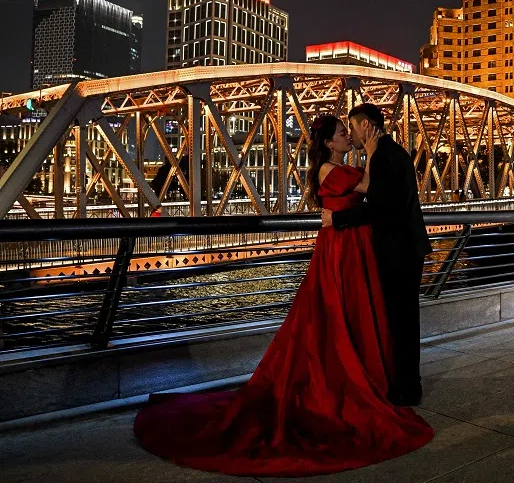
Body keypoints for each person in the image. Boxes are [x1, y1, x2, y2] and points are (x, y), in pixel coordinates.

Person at [132, 114, 433, 477]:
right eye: (342, 132)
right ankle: (356, 379)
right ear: (328, 142)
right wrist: (369, 152)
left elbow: (371, 192)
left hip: (353, 248)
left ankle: (373, 376)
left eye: (350, 129)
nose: (347, 136)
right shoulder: (330, 169)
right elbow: (371, 189)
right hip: (341, 252)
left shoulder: (349, 164)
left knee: (352, 315)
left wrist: (368, 154)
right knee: (338, 315)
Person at [322, 101, 431, 407]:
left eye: (353, 127)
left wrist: (337, 219)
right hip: (408, 246)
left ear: (366, 125)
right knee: (404, 318)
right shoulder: (391, 152)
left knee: (400, 320)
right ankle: (407, 384)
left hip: (398, 250)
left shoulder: (383, 156)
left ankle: (407, 388)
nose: (352, 134)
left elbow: (378, 206)